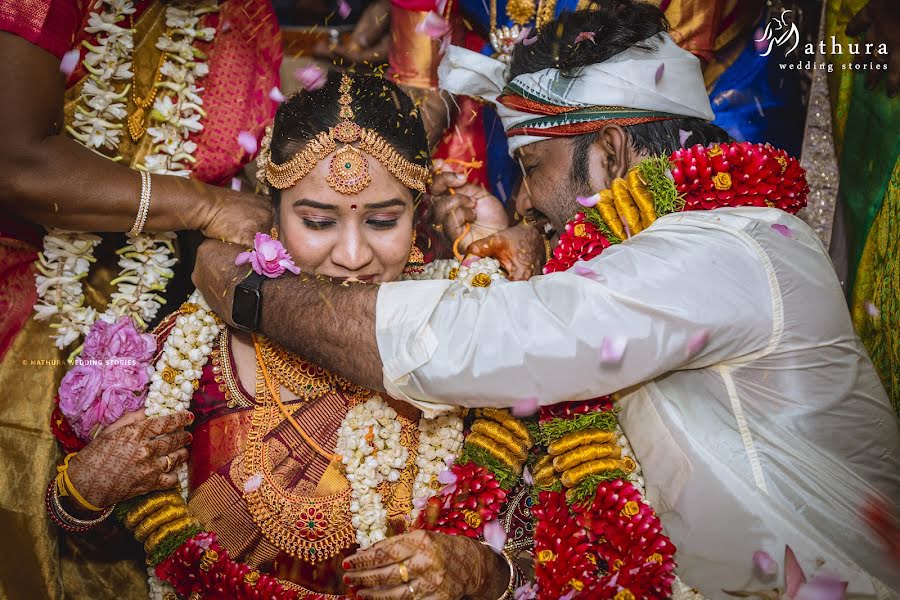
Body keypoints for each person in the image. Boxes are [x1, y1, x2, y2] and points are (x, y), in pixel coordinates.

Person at [192, 4, 900, 597]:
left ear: (614, 154)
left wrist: (251, 291)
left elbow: (483, 341)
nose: (524, 198)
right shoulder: (657, 259)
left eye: (531, 168)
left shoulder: (728, 246)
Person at [45, 72, 528, 600]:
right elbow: (110, 546)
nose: (352, 255)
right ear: (270, 216)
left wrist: (485, 573)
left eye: (383, 220)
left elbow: (561, 544)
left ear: (418, 218)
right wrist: (84, 491)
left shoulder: (473, 330)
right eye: (318, 222)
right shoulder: (187, 352)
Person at [0, 1, 279, 597]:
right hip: (27, 293)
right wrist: (205, 206)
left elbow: (251, 158)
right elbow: (14, 161)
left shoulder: (241, 14)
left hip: (161, 292)